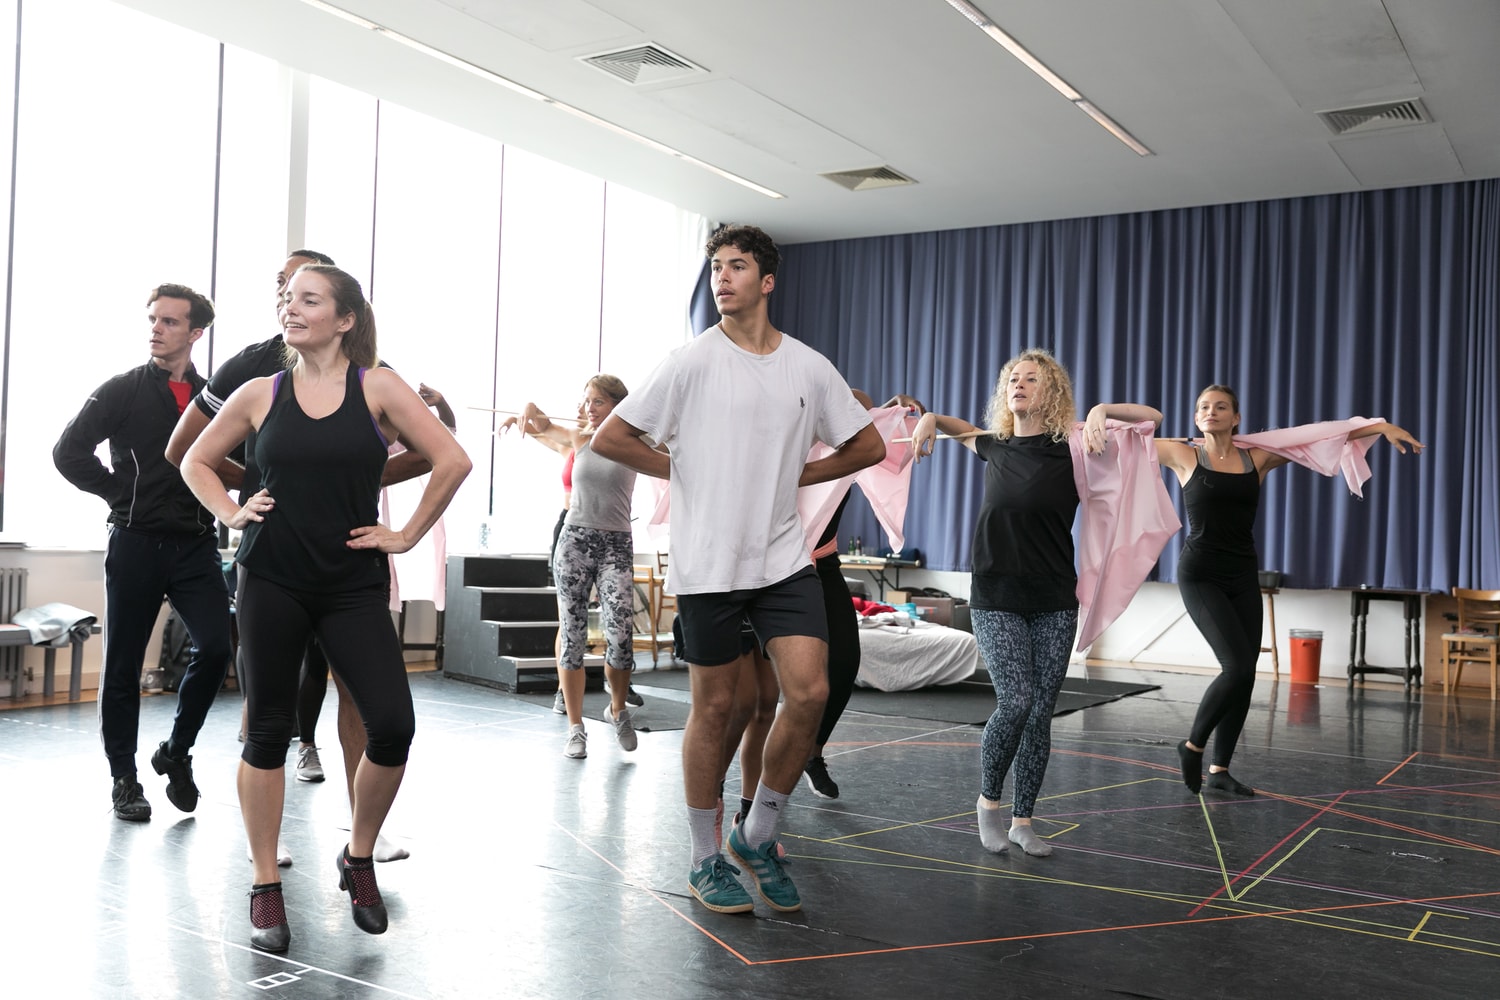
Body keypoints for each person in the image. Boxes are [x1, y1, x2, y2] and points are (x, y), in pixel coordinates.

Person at [592, 224, 886, 915]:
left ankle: (756, 833)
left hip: (783, 559)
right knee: (718, 709)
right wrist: (685, 470)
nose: (722, 278)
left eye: (737, 267)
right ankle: (703, 857)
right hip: (709, 564)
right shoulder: (690, 361)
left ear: (767, 281)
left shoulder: (809, 367)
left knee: (808, 694)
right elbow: (613, 437)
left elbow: (868, 443)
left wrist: (806, 472)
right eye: (716, 267)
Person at [180, 263, 470, 952]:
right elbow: (194, 459)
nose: (292, 307)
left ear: (344, 319)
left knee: (393, 725)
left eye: (308, 299)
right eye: (287, 299)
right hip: (272, 579)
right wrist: (231, 510)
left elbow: (450, 458)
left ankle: (359, 856)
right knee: (267, 731)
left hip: (351, 584)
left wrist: (405, 535)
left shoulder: (378, 387)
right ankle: (264, 883)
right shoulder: (258, 392)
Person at [912, 349, 1161, 858]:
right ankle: (988, 804)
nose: (1018, 385)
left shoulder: (1074, 446)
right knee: (1017, 702)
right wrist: (930, 420)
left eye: (1030, 379)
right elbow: (956, 428)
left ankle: (1024, 820)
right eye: (1012, 380)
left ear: (1050, 392)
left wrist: (1100, 411)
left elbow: (1153, 420)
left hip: (1052, 596)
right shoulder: (995, 446)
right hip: (996, 593)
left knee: (1041, 712)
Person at [1155, 385, 1423, 796]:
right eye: (1204, 407)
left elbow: (1316, 437)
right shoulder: (1182, 454)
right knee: (1237, 667)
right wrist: (1096, 417)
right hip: (1200, 573)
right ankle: (1191, 745)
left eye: (1220, 406)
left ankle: (1220, 770)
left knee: (1245, 675)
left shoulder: (1256, 459)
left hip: (1243, 574)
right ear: (1195, 419)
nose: (1211, 412)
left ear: (1236, 418)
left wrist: (1379, 427)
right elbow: (1124, 445)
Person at [53, 283, 235, 822]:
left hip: (197, 546)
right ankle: (124, 779)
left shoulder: (213, 397)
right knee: (123, 666)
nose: (156, 329)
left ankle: (176, 752)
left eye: (170, 322)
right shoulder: (122, 390)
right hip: (134, 542)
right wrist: (118, 492)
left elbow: (237, 461)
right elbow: (67, 452)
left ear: (196, 333)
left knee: (218, 649)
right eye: (153, 319)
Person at [505, 377, 642, 757]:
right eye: (588, 401)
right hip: (575, 540)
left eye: (598, 401)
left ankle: (617, 709)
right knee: (573, 635)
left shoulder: (635, 441)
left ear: (618, 405)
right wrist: (529, 407)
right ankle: (576, 727)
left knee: (620, 636)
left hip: (616, 543)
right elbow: (543, 425)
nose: (590, 408)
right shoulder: (580, 438)